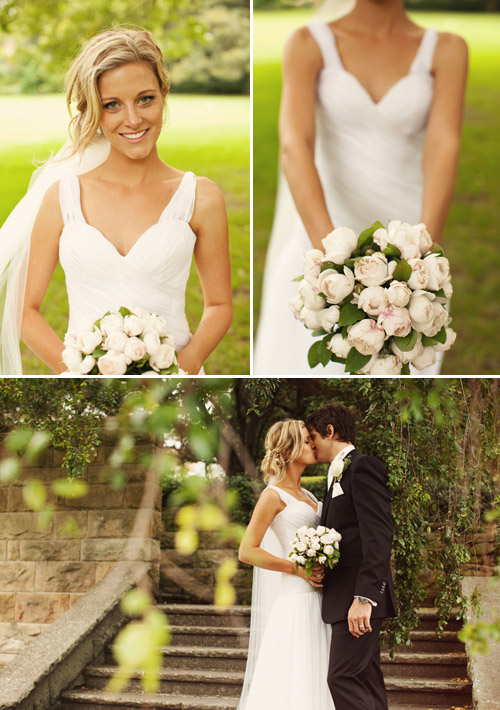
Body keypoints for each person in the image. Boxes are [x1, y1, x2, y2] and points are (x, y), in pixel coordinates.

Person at [0, 28, 232, 375]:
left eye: (145, 99)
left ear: (164, 93)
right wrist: (77, 373)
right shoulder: (63, 198)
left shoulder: (200, 196)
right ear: (93, 110)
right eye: (112, 105)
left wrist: (182, 368)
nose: (134, 120)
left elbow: (219, 305)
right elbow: (24, 309)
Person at [254, 0, 468, 375]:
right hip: (321, 239)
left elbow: (443, 148)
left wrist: (421, 260)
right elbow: (295, 146)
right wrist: (330, 268)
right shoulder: (309, 43)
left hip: (408, 248)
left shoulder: (447, 50)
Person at [238, 419, 334, 710]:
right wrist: (296, 569)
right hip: (296, 601)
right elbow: (247, 551)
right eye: (306, 441)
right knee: (296, 680)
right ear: (290, 450)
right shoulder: (272, 496)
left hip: (321, 599)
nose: (312, 444)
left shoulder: (311, 496)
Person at [306, 402, 397, 710]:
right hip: (345, 597)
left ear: (330, 432)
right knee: (366, 679)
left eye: (314, 437)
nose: (312, 446)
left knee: (342, 677)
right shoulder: (334, 479)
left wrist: (365, 598)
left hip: (358, 600)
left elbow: (379, 535)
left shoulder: (361, 466)